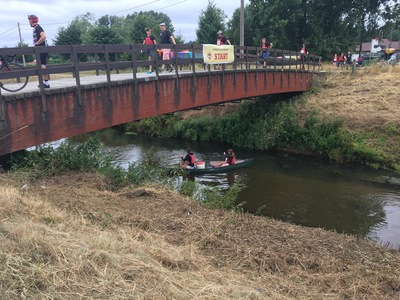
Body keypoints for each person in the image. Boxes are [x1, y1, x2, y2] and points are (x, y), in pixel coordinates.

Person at [28, 14, 50, 88]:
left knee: (42, 66)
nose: (29, 22)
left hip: (41, 49)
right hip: (41, 49)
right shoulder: (36, 28)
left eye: (29, 20)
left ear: (31, 20)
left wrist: (37, 44)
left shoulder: (37, 27)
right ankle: (45, 83)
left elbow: (43, 36)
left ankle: (45, 83)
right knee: (42, 65)